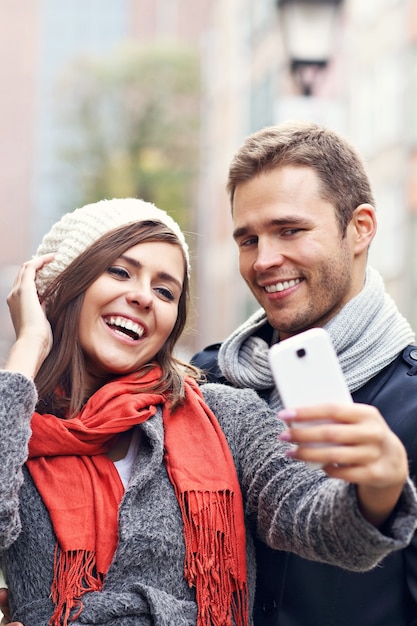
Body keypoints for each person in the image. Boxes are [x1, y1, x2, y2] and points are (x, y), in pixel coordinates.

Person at [0, 198, 416, 626]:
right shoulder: (13, 420)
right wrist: (29, 346)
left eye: (165, 292)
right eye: (120, 271)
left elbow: (313, 518)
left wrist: (379, 487)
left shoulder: (227, 415)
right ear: (60, 285)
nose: (144, 297)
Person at [191, 121, 417, 626]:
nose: (265, 260)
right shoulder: (206, 384)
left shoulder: (411, 405)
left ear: (360, 228)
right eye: (247, 240)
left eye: (289, 230)